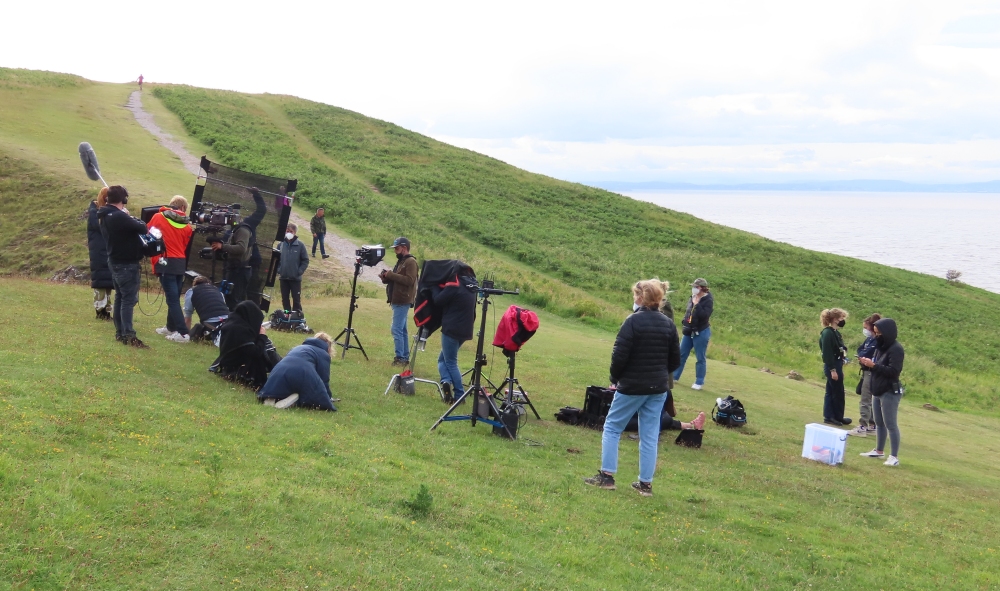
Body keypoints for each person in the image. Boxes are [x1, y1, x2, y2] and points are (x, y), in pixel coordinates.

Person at [584, 279, 700, 498]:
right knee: (649, 434)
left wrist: (615, 378)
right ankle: (645, 484)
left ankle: (606, 476)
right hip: (658, 387)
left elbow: (619, 355)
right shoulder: (668, 324)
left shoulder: (632, 322)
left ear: (639, 297)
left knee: (612, 427)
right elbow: (675, 360)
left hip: (632, 385)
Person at [98, 185, 148, 348]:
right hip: (126, 264)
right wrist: (130, 217)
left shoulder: (105, 215)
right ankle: (128, 334)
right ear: (123, 199)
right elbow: (143, 227)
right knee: (128, 299)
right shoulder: (119, 216)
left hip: (115, 261)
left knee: (120, 297)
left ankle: (120, 333)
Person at [858, 318, 905, 466]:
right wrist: (867, 364)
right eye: (875, 333)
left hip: (889, 391)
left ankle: (894, 456)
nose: (876, 336)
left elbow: (893, 371)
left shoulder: (896, 349)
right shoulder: (880, 347)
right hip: (877, 389)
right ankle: (878, 451)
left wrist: (874, 366)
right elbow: (877, 365)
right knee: (879, 423)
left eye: (878, 333)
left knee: (890, 423)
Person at [148, 196, 194, 343]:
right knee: (174, 297)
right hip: (180, 262)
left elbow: (149, 234)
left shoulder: (158, 217)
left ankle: (182, 333)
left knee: (172, 299)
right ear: (182, 208)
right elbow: (184, 244)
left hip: (165, 260)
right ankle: (170, 327)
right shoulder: (187, 226)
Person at [258, 332, 338, 411]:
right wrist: (328, 397)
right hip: (303, 371)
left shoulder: (297, 348)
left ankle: (271, 397)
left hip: (279, 369)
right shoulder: (323, 354)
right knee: (313, 392)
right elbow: (324, 378)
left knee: (282, 384)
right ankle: (294, 400)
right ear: (328, 347)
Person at [211, 300, 280, 390]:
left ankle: (282, 367)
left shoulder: (232, 323)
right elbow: (256, 352)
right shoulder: (240, 330)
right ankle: (282, 369)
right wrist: (262, 336)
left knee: (268, 348)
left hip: (229, 365)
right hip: (237, 368)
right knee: (267, 350)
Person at [435, 265, 478, 403]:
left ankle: (459, 394)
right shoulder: (472, 286)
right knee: (443, 359)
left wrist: (433, 288)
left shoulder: (455, 284)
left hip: (452, 328)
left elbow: (438, 300)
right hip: (465, 329)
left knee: (450, 362)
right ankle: (446, 381)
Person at [379, 237, 419, 366]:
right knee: (402, 330)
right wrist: (386, 277)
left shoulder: (411, 262)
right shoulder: (402, 261)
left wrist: (390, 275)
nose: (395, 251)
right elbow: (397, 279)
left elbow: (410, 280)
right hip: (398, 299)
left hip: (403, 299)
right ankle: (404, 357)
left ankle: (400, 358)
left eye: (397, 248)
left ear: (404, 248)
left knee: (396, 329)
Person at [673, 278, 714, 390]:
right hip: (689, 330)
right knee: (681, 354)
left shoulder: (708, 299)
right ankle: (675, 376)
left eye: (696, 287)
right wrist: (685, 322)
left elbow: (705, 315)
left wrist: (697, 305)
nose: (694, 289)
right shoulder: (692, 297)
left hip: (701, 331)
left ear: (701, 288)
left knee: (700, 357)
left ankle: (699, 382)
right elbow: (688, 311)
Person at [849, 313, 882, 437]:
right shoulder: (869, 339)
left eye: (866, 328)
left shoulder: (877, 340)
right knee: (870, 399)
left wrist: (863, 355)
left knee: (866, 398)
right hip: (866, 369)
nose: (865, 331)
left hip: (871, 371)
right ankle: (872, 425)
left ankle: (863, 425)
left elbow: (867, 352)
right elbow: (861, 349)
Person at [819, 308, 853, 427]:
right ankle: (831, 416)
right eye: (841, 319)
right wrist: (833, 370)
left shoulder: (835, 332)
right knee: (836, 392)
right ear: (834, 319)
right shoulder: (827, 333)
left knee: (833, 390)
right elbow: (827, 353)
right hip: (832, 365)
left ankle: (836, 415)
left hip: (837, 363)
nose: (843, 321)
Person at [87, 187, 114, 321]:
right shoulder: (95, 211)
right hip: (99, 253)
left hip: (108, 251)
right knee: (100, 284)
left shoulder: (106, 212)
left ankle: (107, 310)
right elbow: (99, 225)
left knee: (108, 283)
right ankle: (100, 310)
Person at [184, 276, 230, 342]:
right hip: (227, 321)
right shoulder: (217, 290)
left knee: (197, 328)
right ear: (208, 283)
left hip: (211, 324)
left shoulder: (192, 291)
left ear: (194, 284)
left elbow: (187, 316)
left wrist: (185, 335)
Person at [277, 222, 309, 313]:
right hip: (283, 278)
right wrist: (279, 270)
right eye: (287, 231)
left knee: (296, 299)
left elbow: (305, 260)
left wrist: (299, 271)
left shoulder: (300, 245)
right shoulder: (281, 245)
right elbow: (276, 260)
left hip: (295, 278)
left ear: (295, 232)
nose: (289, 233)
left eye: (291, 231)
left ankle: (297, 318)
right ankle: (287, 316)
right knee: (285, 299)